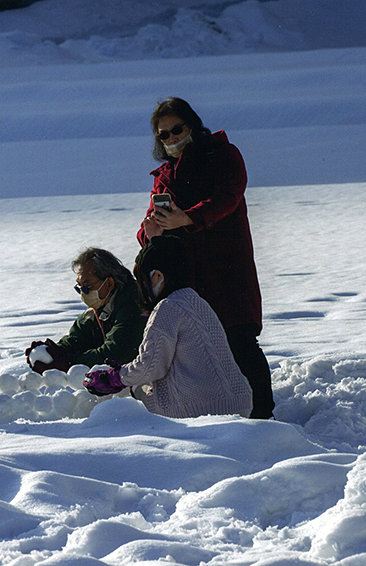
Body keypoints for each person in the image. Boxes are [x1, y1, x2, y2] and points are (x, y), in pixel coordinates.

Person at [137, 97, 274, 419]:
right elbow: (149, 225)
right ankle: (212, 416)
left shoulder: (222, 154)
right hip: (187, 276)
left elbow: (228, 196)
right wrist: (150, 233)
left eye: (177, 129)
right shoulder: (164, 175)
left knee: (239, 339)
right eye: (164, 135)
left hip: (226, 267)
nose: (172, 138)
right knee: (195, 348)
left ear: (192, 126)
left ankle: (263, 417)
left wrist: (188, 218)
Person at [83, 236, 253, 418]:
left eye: (141, 279)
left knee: (134, 393)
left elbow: (150, 366)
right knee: (137, 384)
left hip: (201, 407)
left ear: (157, 276)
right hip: (239, 401)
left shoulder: (168, 307)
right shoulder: (198, 302)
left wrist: (114, 378)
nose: (140, 288)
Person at [24, 248, 147, 374]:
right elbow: (78, 339)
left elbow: (116, 353)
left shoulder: (135, 304)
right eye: (80, 287)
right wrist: (54, 351)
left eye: (87, 286)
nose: (83, 293)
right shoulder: (99, 306)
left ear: (109, 283)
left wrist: (69, 363)